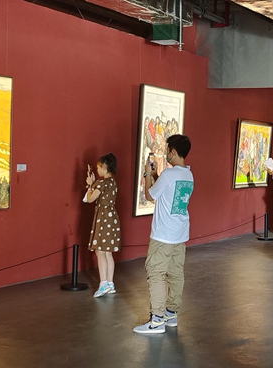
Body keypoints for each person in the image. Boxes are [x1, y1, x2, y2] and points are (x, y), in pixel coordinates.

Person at [134, 135, 194, 334]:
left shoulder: (169, 175)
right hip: (180, 234)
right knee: (176, 274)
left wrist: (147, 174)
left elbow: (150, 195)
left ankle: (157, 320)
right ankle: (171, 314)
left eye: (168, 151)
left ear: (173, 152)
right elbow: (168, 191)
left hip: (163, 235)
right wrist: (156, 175)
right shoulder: (188, 174)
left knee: (156, 274)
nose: (167, 154)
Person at [83, 153, 121, 298]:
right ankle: (110, 283)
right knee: (108, 252)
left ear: (105, 167)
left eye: (99, 167)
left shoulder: (102, 183)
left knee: (100, 250)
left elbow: (90, 199)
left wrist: (90, 185)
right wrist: (93, 183)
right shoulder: (113, 182)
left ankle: (103, 283)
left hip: (103, 217)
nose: (98, 170)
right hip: (112, 217)